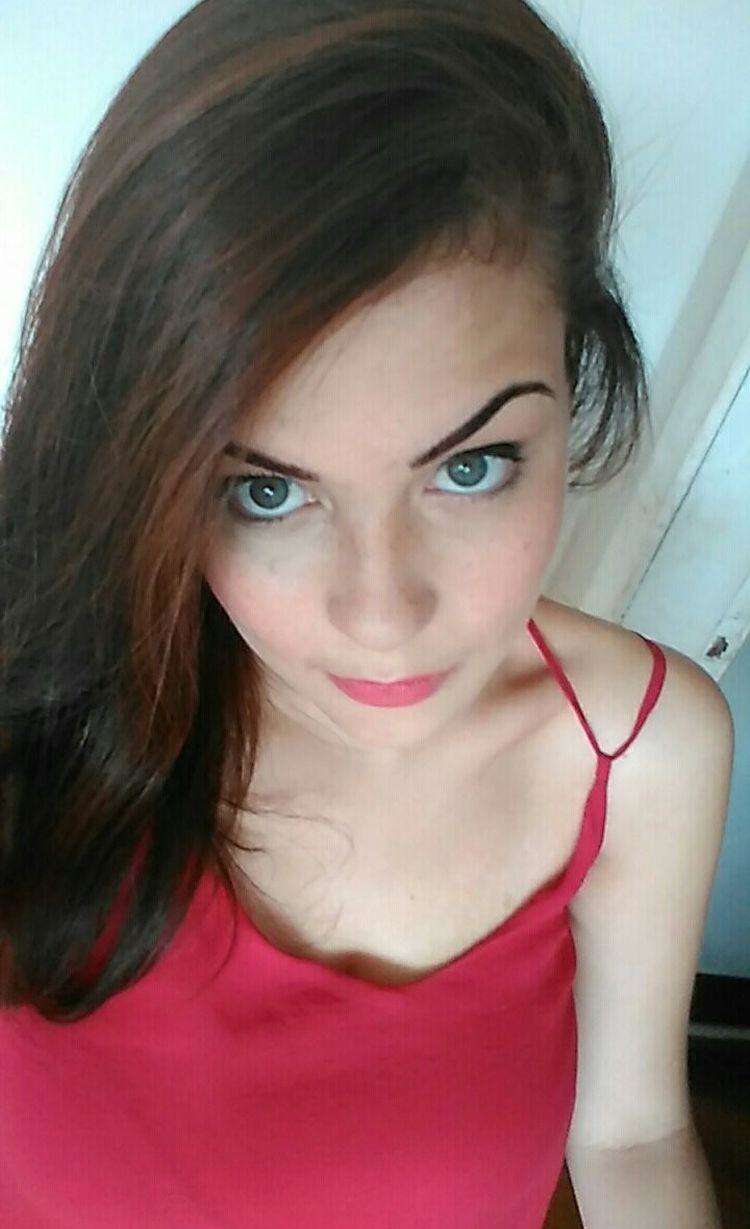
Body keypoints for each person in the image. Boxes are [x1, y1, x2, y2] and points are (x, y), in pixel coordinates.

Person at [0, 2, 732, 1227]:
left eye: (470, 466)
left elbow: (635, 1133)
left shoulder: (643, 753)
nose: (381, 617)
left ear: (575, 385)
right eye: (265, 491)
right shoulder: (39, 697)